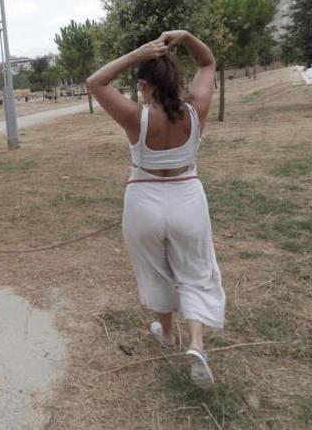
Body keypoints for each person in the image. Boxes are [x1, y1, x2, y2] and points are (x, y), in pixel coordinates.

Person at [86, 30, 225, 387]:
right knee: (194, 270)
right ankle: (196, 342)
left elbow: (95, 81)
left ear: (144, 85)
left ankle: (166, 334)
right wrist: (186, 36)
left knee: (156, 270)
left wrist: (137, 53)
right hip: (187, 197)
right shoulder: (197, 109)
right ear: (176, 80)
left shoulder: (136, 117)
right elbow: (208, 61)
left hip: (143, 201)